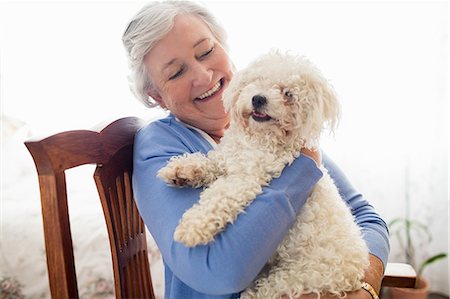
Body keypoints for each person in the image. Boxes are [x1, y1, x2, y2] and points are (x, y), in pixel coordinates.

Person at [122, 1, 389, 298]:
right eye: (176, 73)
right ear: (156, 95)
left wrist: (364, 288)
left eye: (207, 51)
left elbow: (366, 216)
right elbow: (219, 272)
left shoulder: (278, 127)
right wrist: (302, 169)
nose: (204, 76)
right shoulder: (160, 146)